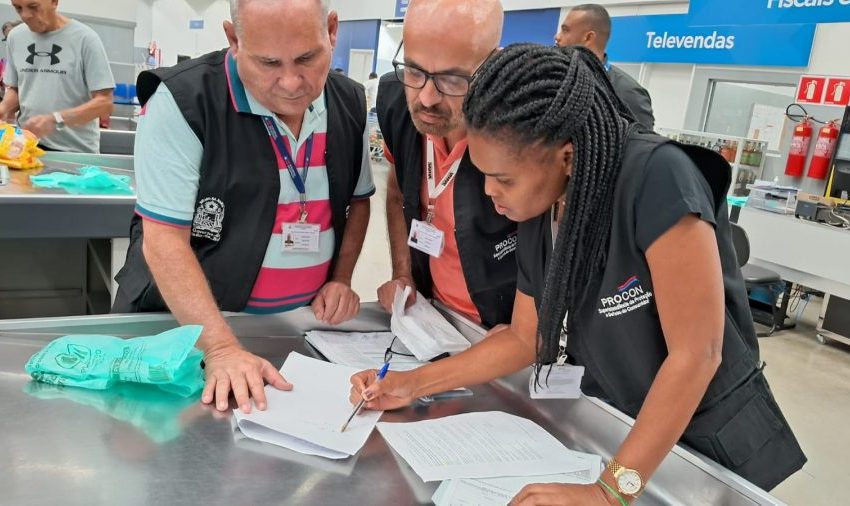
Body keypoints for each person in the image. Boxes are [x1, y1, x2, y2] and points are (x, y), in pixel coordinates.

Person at [351, 45, 805, 502]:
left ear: (566, 157)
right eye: (483, 174)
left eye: (504, 179)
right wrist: (412, 384)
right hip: (622, 424)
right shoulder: (540, 203)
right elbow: (524, 336)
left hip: (702, 447)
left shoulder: (657, 178)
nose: (489, 192)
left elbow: (697, 356)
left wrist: (610, 492)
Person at [113, 0, 375, 414]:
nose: (291, 82)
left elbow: (358, 203)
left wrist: (340, 277)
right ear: (234, 40)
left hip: (293, 333)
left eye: (307, 58)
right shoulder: (184, 101)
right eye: (268, 63)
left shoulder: (349, 104)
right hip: (183, 335)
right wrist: (219, 347)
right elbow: (163, 240)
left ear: (332, 31)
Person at [375, 0, 517, 328]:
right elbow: (397, 192)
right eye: (413, 70)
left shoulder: (518, 129)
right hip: (429, 316)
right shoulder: (397, 105)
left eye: (452, 80)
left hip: (498, 325)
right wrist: (403, 273)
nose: (426, 98)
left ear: (492, 65)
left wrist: (525, 330)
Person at [0, 0, 114, 152]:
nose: (25, 15)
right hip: (27, 146)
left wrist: (56, 119)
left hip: (74, 152)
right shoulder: (16, 37)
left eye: (33, 7)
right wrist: (3, 108)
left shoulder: (85, 39)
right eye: (18, 8)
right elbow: (16, 89)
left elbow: (104, 103)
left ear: (54, 2)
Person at [555, 4, 655, 131]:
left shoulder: (627, 92)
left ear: (588, 37)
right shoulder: (559, 79)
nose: (557, 36)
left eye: (565, 30)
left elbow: (642, 146)